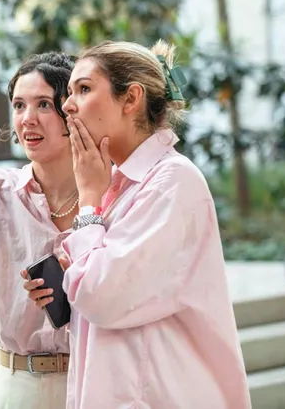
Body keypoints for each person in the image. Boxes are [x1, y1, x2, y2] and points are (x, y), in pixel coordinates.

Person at [22, 40, 251, 408]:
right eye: (70, 92)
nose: (67, 105)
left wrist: (89, 201)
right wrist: (65, 282)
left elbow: (100, 294)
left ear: (130, 99)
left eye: (84, 89)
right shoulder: (119, 184)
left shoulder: (172, 182)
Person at [0, 51, 77, 409]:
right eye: (19, 105)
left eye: (43, 104)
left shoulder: (116, 196)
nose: (27, 118)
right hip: (17, 386)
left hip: (95, 379)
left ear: (72, 111)